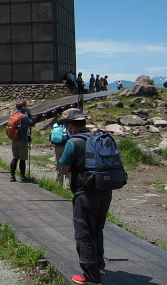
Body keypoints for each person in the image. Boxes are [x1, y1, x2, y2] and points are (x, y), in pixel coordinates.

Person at [59, 108, 109, 285]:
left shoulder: (74, 142)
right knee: (97, 229)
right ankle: (99, 265)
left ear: (72, 125)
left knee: (84, 232)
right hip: (105, 190)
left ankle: (90, 276)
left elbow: (65, 169)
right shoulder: (99, 138)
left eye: (68, 125)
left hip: (85, 192)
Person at [9, 100, 36, 182]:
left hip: (14, 139)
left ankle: (12, 176)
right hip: (22, 139)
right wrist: (30, 115)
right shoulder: (23, 116)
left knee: (15, 158)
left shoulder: (12, 115)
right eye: (25, 106)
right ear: (23, 107)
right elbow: (31, 123)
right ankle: (22, 177)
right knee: (22, 159)